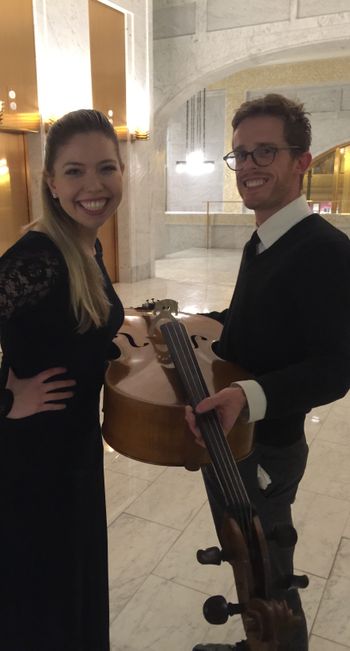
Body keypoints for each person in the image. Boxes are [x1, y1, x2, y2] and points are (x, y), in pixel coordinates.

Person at [186, 93, 350, 651]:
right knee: (247, 566)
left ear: (302, 161)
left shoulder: (325, 251)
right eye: (240, 155)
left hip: (267, 447)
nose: (250, 166)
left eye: (265, 152)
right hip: (235, 436)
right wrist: (202, 322)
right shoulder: (265, 238)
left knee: (274, 578)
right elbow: (255, 318)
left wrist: (247, 396)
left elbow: (337, 367)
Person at [0, 109, 125, 650]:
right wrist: (6, 398)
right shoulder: (38, 257)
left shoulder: (84, 245)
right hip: (31, 460)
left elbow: (73, 330)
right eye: (74, 171)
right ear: (50, 182)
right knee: (39, 598)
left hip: (72, 451)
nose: (93, 186)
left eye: (106, 168)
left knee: (67, 585)